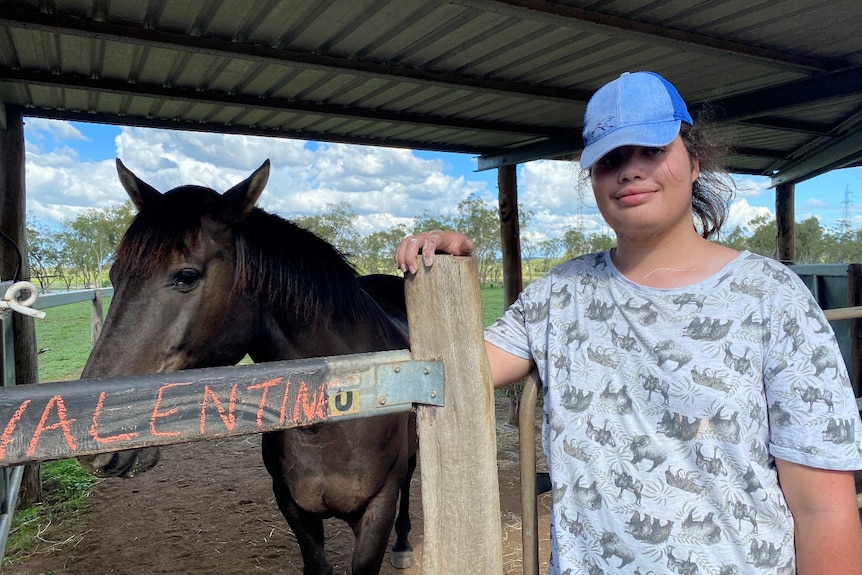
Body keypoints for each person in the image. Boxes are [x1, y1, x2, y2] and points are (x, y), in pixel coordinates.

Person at [395, 71, 862, 574]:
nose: (630, 171)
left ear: (695, 160)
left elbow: (823, 507)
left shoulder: (774, 298)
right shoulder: (560, 294)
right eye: (610, 160)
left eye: (651, 149)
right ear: (592, 179)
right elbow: (456, 370)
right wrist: (452, 273)